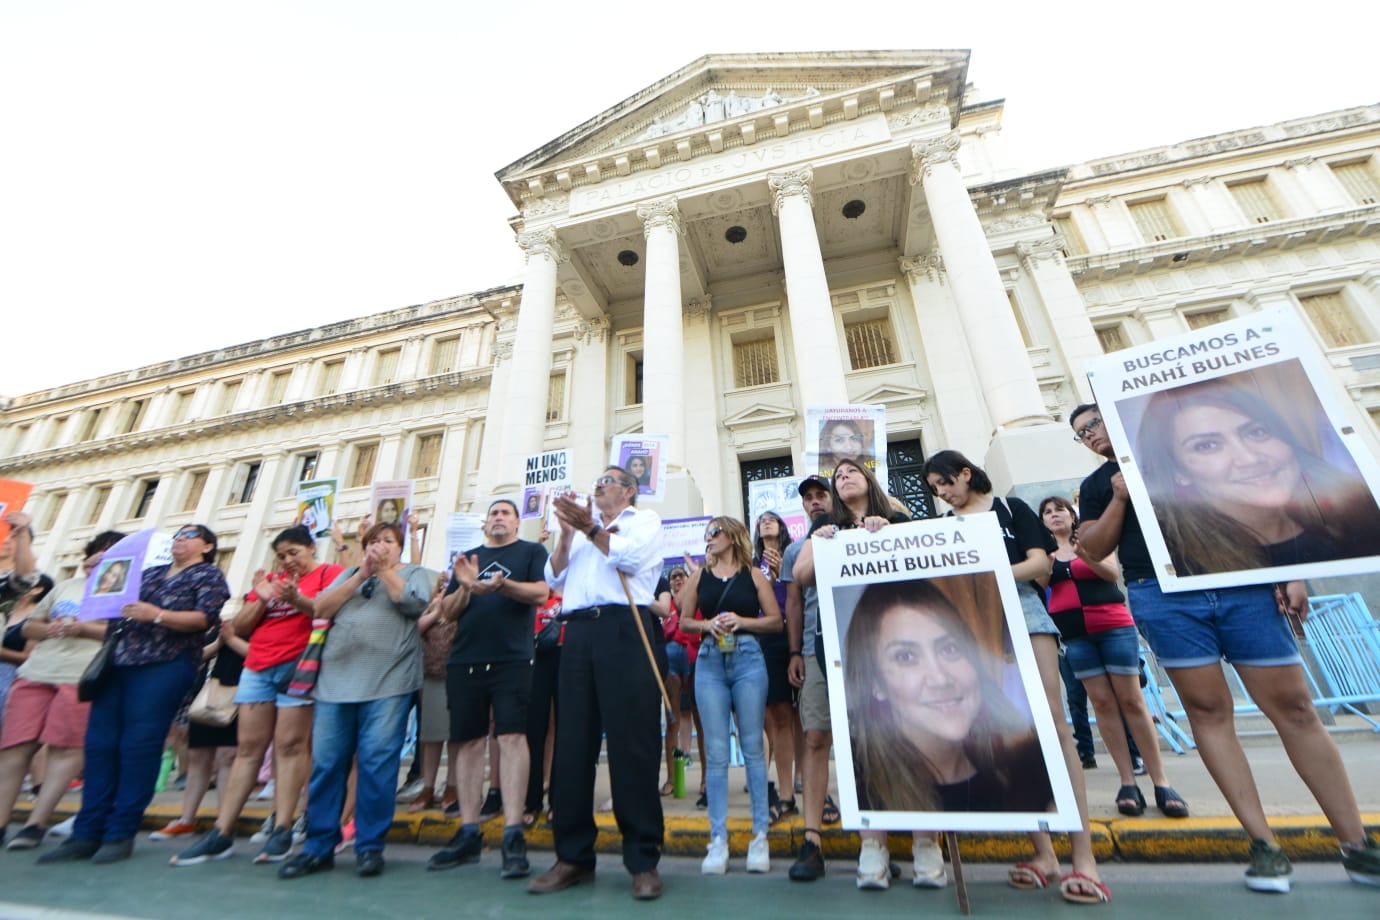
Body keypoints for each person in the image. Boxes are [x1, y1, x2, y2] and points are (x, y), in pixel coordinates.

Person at [1070, 402, 1380, 892]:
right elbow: (1092, 547)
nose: (1089, 435)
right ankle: (1263, 846)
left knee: (1296, 709)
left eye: (1093, 424)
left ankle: (1358, 845)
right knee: (1209, 713)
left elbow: (1266, 508)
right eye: (1080, 434)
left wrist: (1289, 572)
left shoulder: (1186, 458)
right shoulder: (1096, 486)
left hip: (1244, 588)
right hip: (1163, 597)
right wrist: (1119, 499)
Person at [923, 450, 1108, 904]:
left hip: (1024, 614)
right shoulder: (946, 526)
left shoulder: (1011, 508)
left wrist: (986, 571)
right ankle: (1043, 853)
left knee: (1053, 726)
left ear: (966, 473)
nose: (942, 494)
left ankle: (1084, 857)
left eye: (944, 483)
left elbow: (1040, 566)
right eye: (934, 490)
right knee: (1008, 734)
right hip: (974, 624)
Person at [795, 460, 947, 890]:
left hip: (899, 646)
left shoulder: (897, 517)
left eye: (851, 474)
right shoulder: (824, 526)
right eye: (837, 477)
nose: (843, 480)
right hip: (843, 646)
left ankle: (925, 843)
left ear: (869, 481)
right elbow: (803, 577)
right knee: (859, 743)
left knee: (913, 734)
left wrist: (891, 532)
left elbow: (928, 567)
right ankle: (872, 845)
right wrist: (824, 544)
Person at [39, 524, 230, 865]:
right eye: (177, 536)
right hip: (119, 662)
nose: (179, 540)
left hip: (164, 664)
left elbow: (204, 618)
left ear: (207, 546)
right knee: (100, 745)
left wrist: (156, 615)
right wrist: (103, 567)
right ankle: (86, 832)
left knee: (138, 745)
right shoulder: (149, 572)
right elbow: (108, 598)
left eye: (189, 535)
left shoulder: (208, 575)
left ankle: (120, 831)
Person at [528, 466, 665, 901]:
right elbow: (553, 578)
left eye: (607, 480)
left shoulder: (644, 521)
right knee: (572, 746)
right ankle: (572, 856)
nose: (598, 485)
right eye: (597, 480)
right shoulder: (582, 530)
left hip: (626, 629)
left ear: (628, 491)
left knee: (633, 746)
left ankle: (643, 859)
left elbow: (629, 558)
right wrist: (567, 533)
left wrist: (588, 526)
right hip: (578, 634)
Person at [170, 526, 342, 866]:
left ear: (312, 550)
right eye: (282, 555)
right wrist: (261, 597)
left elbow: (326, 611)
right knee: (246, 749)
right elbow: (242, 627)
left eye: (295, 552)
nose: (288, 560)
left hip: (300, 665)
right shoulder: (270, 581)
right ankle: (222, 831)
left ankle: (282, 826)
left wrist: (296, 598)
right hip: (258, 666)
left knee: (291, 746)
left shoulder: (329, 573)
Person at [276, 521, 432, 881]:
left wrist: (385, 572)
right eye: (373, 541)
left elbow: (413, 604)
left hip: (388, 683)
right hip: (335, 684)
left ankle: (369, 846)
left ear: (400, 548)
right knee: (327, 764)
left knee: (378, 764)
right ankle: (318, 846)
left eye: (388, 541)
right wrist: (361, 573)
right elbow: (322, 609)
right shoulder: (348, 574)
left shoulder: (416, 573)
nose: (380, 546)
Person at [845, 580, 1053, 813]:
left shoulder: (1024, 773)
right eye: (906, 657)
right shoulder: (868, 794)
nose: (940, 679)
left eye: (950, 649)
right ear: (875, 684)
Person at [1135, 378, 1380, 574]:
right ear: (1179, 473)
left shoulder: (1360, 520)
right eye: (1207, 445)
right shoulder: (1182, 563)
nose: (1250, 458)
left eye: (1257, 432)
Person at [1039, 496, 1187, 818]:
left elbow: (1110, 574)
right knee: (1103, 704)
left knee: (1132, 701)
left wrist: (1084, 554)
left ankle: (1162, 782)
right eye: (1047, 513)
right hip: (1075, 636)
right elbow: (1041, 586)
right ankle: (1127, 782)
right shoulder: (1044, 555)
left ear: (1072, 514)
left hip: (1113, 626)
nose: (1054, 516)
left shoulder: (1093, 539)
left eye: (1059, 510)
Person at [427, 499, 550, 879]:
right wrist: (467, 587)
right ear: (485, 524)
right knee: (466, 742)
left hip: (513, 660)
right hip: (465, 660)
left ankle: (513, 833)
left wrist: (502, 585)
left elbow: (541, 594)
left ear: (516, 522)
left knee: (512, 738)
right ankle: (468, 832)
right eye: (493, 513)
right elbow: (447, 610)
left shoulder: (531, 551)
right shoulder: (467, 559)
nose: (499, 518)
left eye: (506, 513)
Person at [0, 531, 124, 851]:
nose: (97, 558)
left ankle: (36, 823)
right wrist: (51, 628)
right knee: (14, 748)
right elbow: (29, 626)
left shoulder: (125, 591)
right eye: (95, 552)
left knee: (64, 749)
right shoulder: (67, 586)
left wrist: (81, 628)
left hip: (79, 676)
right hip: (37, 671)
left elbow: (122, 632)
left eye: (107, 553)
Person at [678, 515, 782, 875]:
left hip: (748, 657)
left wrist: (741, 621)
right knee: (718, 751)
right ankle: (718, 839)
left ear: (733, 536)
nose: (709, 538)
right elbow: (684, 620)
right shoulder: (700, 575)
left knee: (753, 746)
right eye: (707, 534)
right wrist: (708, 625)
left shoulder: (753, 574)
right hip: (709, 660)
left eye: (715, 532)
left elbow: (775, 620)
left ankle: (759, 836)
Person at [783, 475, 842, 882]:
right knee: (815, 736)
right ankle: (812, 838)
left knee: (864, 740)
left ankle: (873, 834)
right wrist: (795, 652)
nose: (815, 501)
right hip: (814, 647)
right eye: (808, 498)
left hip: (859, 642)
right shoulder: (795, 549)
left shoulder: (861, 529)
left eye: (821, 494)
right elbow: (794, 601)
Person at [153, 623, 245, 849]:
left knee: (227, 757)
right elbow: (197, 657)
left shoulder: (257, 627)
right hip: (207, 695)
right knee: (198, 757)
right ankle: (186, 819)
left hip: (239, 695)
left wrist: (232, 639)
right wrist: (221, 641)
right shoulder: (222, 628)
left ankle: (224, 822)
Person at [752, 511, 798, 823]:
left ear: (782, 527)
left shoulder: (794, 555)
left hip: (790, 636)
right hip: (762, 640)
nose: (767, 522)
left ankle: (787, 792)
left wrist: (783, 572)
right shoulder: (751, 565)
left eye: (773, 519)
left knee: (788, 718)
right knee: (766, 717)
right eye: (761, 520)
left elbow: (802, 594)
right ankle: (766, 787)